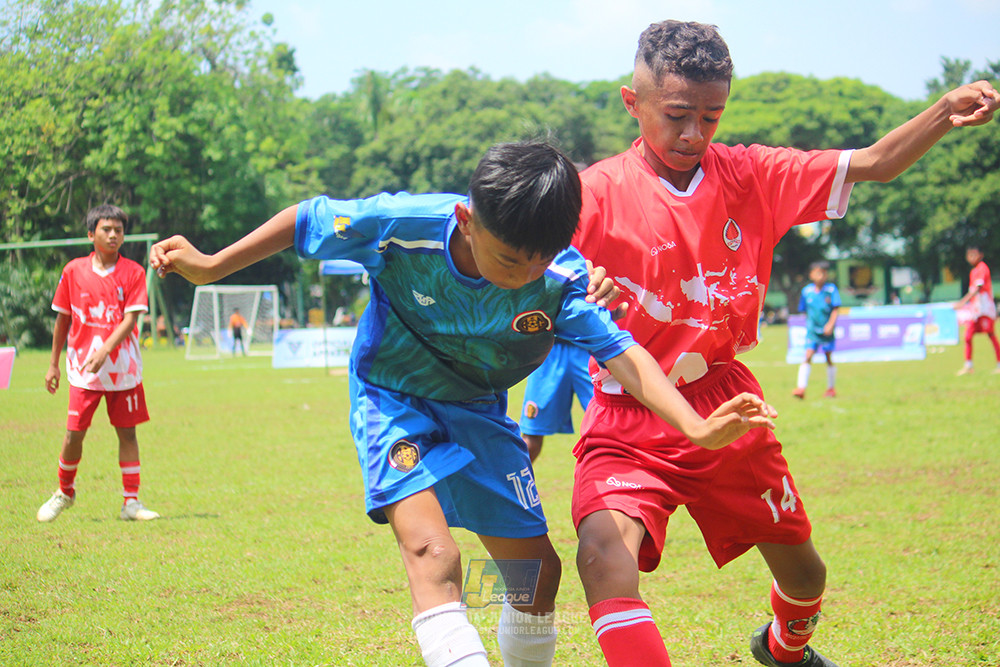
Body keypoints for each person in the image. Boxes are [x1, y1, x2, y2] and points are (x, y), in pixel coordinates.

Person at [149, 141, 776, 667]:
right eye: (508, 259)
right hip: (393, 399)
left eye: (538, 262)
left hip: (479, 411)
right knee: (436, 554)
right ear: (467, 219)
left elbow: (624, 354)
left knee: (537, 579)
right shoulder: (402, 226)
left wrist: (695, 425)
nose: (523, 276)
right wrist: (211, 266)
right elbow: (305, 219)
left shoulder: (564, 281)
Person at [568, 20, 999, 667]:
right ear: (633, 102)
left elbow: (876, 162)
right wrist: (571, 285)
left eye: (711, 117)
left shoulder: (753, 173)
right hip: (629, 411)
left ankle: (785, 648)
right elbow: (526, 272)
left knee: (806, 576)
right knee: (602, 557)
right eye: (677, 115)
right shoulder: (590, 195)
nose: (694, 134)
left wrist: (945, 110)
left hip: (726, 404)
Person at [37, 204, 160, 523]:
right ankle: (65, 492)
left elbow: (131, 319)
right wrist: (53, 364)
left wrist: (106, 349)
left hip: (123, 371)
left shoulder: (134, 272)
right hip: (83, 371)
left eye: (119, 230)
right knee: (73, 434)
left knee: (128, 434)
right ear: (91, 234)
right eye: (106, 229)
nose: (113, 235)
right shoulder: (73, 271)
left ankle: (131, 502)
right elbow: (63, 319)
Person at [519, 340, 594, 461]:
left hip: (591, 346)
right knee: (532, 432)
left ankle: (616, 473)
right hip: (549, 349)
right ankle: (516, 473)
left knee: (609, 425)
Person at [793, 261, 841, 399]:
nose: (821, 276)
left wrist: (830, 325)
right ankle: (801, 388)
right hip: (812, 331)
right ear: (811, 275)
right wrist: (809, 325)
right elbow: (804, 310)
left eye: (824, 273)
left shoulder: (831, 290)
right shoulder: (806, 291)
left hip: (826, 331)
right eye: (818, 273)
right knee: (808, 356)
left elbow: (835, 309)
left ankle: (831, 388)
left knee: (828, 357)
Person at [954, 245, 1000, 375]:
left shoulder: (982, 268)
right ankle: (968, 365)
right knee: (968, 336)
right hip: (976, 311)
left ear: (981, 255)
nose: (971, 257)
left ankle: (999, 364)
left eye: (974, 254)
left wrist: (962, 302)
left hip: (985, 310)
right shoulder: (973, 271)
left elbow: (977, 289)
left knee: (991, 335)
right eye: (969, 255)